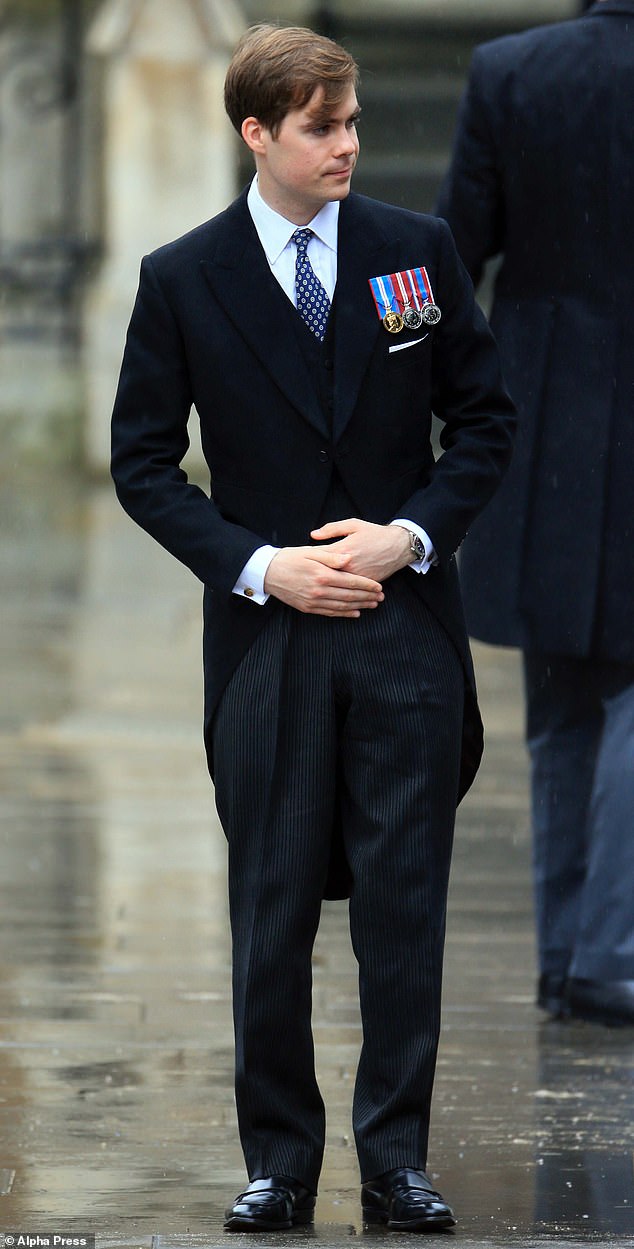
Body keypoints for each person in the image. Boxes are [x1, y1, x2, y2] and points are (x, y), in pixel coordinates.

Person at [111, 23, 515, 1232]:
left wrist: (410, 535)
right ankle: (278, 1159)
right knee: (271, 906)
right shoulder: (182, 276)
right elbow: (141, 464)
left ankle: (397, 1160)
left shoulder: (416, 251)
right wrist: (258, 566)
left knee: (405, 905)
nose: (347, 144)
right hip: (266, 644)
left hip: (404, 627)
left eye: (348, 123)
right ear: (257, 133)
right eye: (320, 127)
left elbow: (484, 423)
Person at [436, 0, 634, 1027]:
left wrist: (400, 397)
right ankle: (613, 951)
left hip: (543, 413)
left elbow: (444, 259)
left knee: (561, 702)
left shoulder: (509, 69)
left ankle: (565, 961)